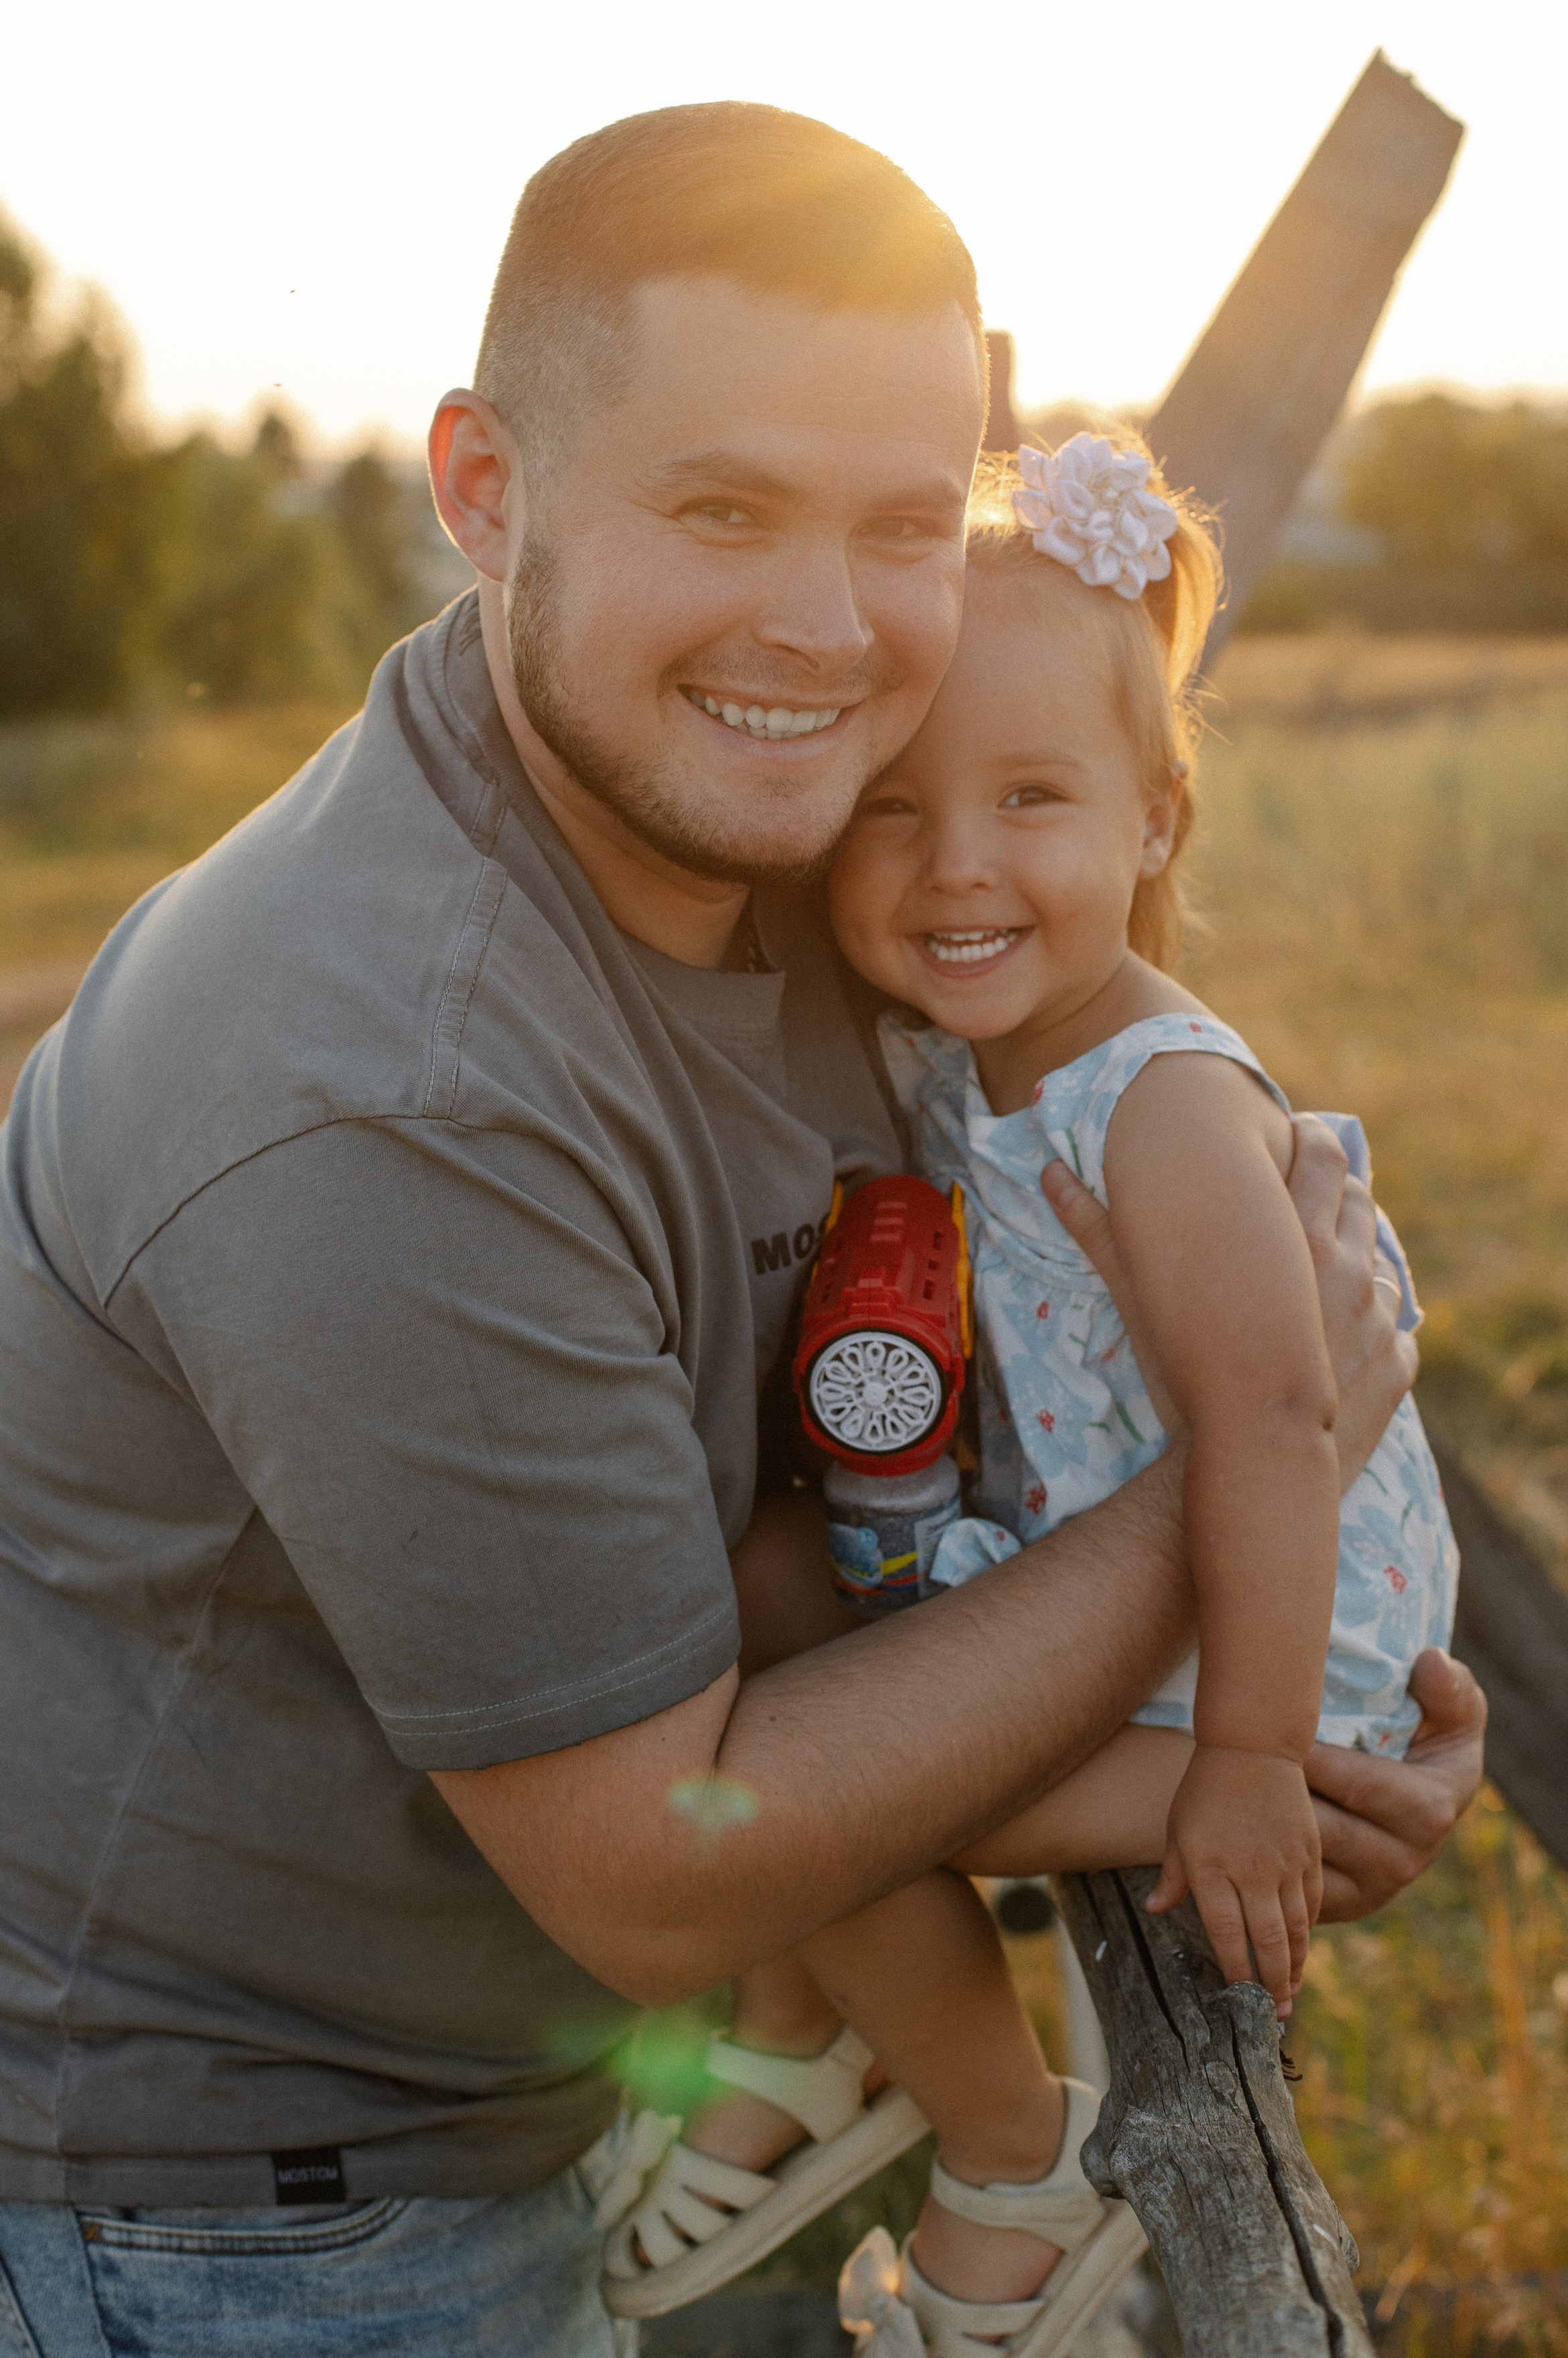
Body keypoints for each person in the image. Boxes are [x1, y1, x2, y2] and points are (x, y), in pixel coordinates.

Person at [0, 105, 1484, 2358]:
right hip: (231, 2222)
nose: (824, 626)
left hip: (479, 2102)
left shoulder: (796, 843)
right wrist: (1246, 1520)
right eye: (721, 508)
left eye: (904, 523)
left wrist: (1288, 1709)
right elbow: (652, 1859)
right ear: (487, 490)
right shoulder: (384, 1088)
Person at [597, 437, 1460, 2356]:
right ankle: (814, 2033)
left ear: (1159, 820)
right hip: (1111, 1581)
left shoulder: (1157, 1107)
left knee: (806, 1801)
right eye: (892, 812)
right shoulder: (971, 1054)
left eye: (1034, 800)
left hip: (1265, 1657)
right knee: (740, 1610)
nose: (956, 864)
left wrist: (1242, 1767)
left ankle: (1012, 2171)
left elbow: (1277, 1429)